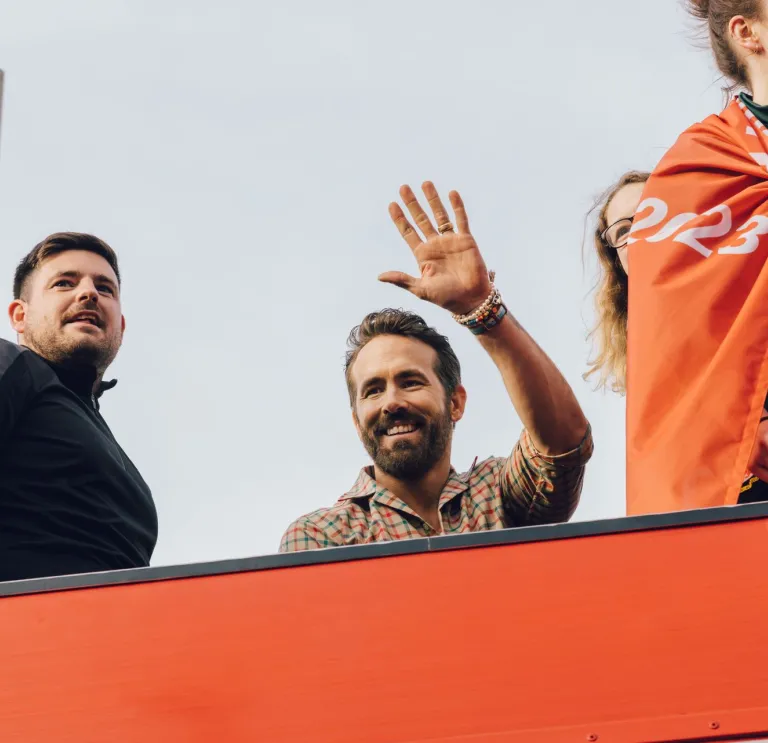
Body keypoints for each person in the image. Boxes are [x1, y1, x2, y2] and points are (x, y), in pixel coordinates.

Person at [280, 182, 593, 551]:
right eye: (373, 390)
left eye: (411, 382)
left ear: (455, 402)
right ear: (356, 420)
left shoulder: (498, 495)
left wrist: (481, 308)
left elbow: (564, 441)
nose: (391, 402)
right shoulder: (322, 537)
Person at [626, 0, 768, 515]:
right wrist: (748, 420)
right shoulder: (698, 166)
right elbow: (676, 344)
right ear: (747, 33)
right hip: (748, 484)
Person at [587, 170, 768, 505]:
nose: (640, 234)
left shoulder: (757, 290)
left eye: (653, 215)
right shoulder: (648, 374)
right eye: (624, 230)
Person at [0, 232, 157, 580]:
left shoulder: (108, 446)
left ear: (121, 326)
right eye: (64, 283)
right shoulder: (12, 364)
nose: (89, 293)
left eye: (105, 289)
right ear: (20, 315)